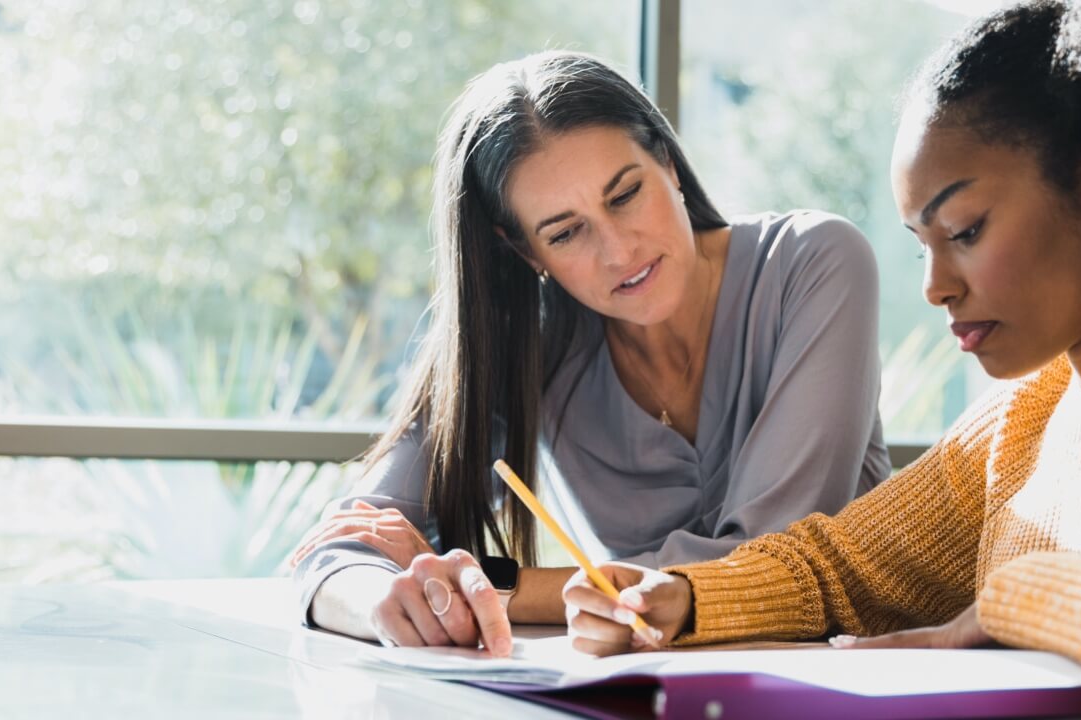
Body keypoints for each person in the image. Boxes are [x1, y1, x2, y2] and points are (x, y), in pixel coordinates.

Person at [561, 1, 1081, 717]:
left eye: (965, 230)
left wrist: (1014, 599)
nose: (935, 287)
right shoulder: (1023, 420)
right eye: (921, 245)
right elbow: (843, 568)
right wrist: (684, 599)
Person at [291, 50, 890, 653]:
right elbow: (343, 549)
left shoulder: (816, 263)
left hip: (849, 685)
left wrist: (496, 585)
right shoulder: (531, 340)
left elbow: (763, 568)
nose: (618, 251)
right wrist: (393, 604)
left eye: (625, 195)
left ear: (668, 162)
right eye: (565, 232)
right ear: (526, 254)